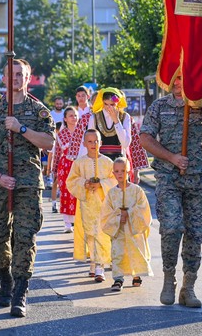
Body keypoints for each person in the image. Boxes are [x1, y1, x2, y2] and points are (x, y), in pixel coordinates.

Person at [0, 59, 55, 318]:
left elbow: (49, 142)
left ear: (28, 78)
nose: (16, 78)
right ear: (5, 78)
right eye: (12, 74)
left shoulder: (38, 111)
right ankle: (5, 274)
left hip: (28, 182)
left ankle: (21, 288)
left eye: (21, 74)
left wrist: (20, 128)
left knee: (25, 236)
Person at [139, 71, 202, 308]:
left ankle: (189, 287)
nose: (179, 83)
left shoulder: (200, 104)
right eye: (175, 79)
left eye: (183, 78)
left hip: (198, 178)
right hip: (169, 177)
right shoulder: (159, 106)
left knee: (195, 233)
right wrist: (172, 157)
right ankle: (169, 279)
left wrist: (199, 97)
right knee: (172, 227)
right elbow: (145, 138)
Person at [66, 129, 115, 283]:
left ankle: (100, 267)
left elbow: (115, 181)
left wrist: (101, 184)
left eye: (96, 141)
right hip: (86, 205)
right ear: (84, 144)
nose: (94, 144)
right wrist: (84, 183)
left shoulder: (108, 163)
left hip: (104, 205)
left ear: (101, 142)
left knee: (101, 233)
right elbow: (71, 181)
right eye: (90, 141)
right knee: (90, 234)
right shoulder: (79, 163)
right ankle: (93, 263)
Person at [100, 157, 153, 292]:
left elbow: (143, 208)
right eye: (116, 171)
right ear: (113, 173)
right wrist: (118, 217)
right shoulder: (111, 193)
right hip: (118, 230)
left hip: (133, 229)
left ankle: (136, 274)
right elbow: (106, 212)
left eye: (123, 171)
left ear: (128, 171)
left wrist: (129, 213)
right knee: (118, 253)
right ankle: (118, 278)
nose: (120, 174)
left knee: (135, 251)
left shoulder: (137, 190)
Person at [51, 106, 80, 232]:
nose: (74, 118)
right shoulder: (61, 134)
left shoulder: (83, 132)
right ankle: (67, 223)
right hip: (66, 166)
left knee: (80, 192)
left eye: (75, 115)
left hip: (80, 165)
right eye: (71, 116)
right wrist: (54, 170)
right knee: (66, 192)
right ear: (65, 119)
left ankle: (79, 221)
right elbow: (57, 152)